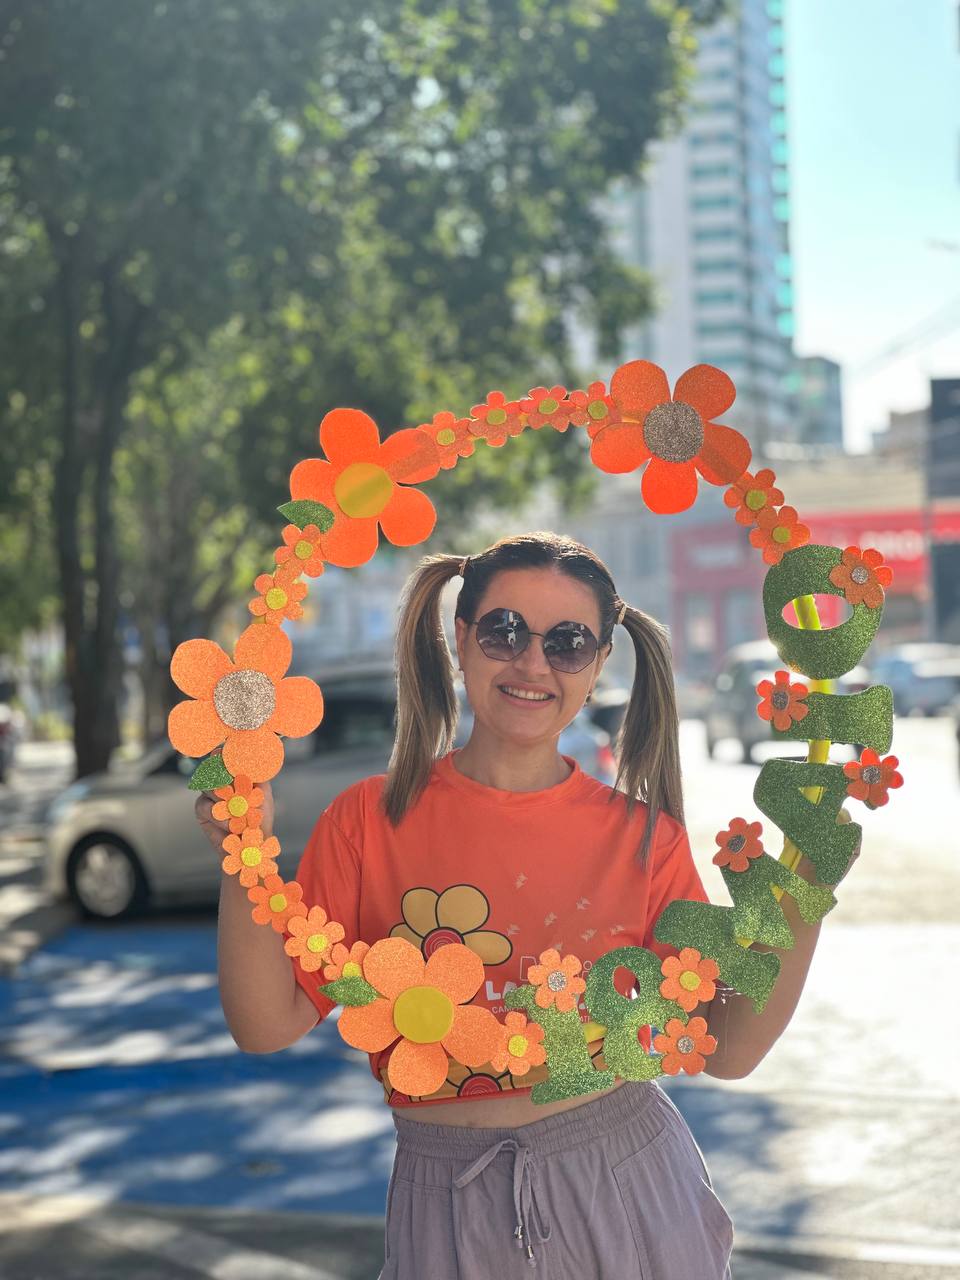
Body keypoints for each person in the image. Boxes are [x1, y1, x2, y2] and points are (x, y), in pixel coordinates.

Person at [196, 530, 831, 1279]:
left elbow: (728, 1048)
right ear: (460, 639)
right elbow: (265, 1024)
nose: (533, 663)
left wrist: (807, 888)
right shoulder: (366, 822)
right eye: (504, 631)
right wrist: (242, 854)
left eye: (567, 643)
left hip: (627, 1190)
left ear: (598, 664)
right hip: (443, 1203)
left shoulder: (642, 839)